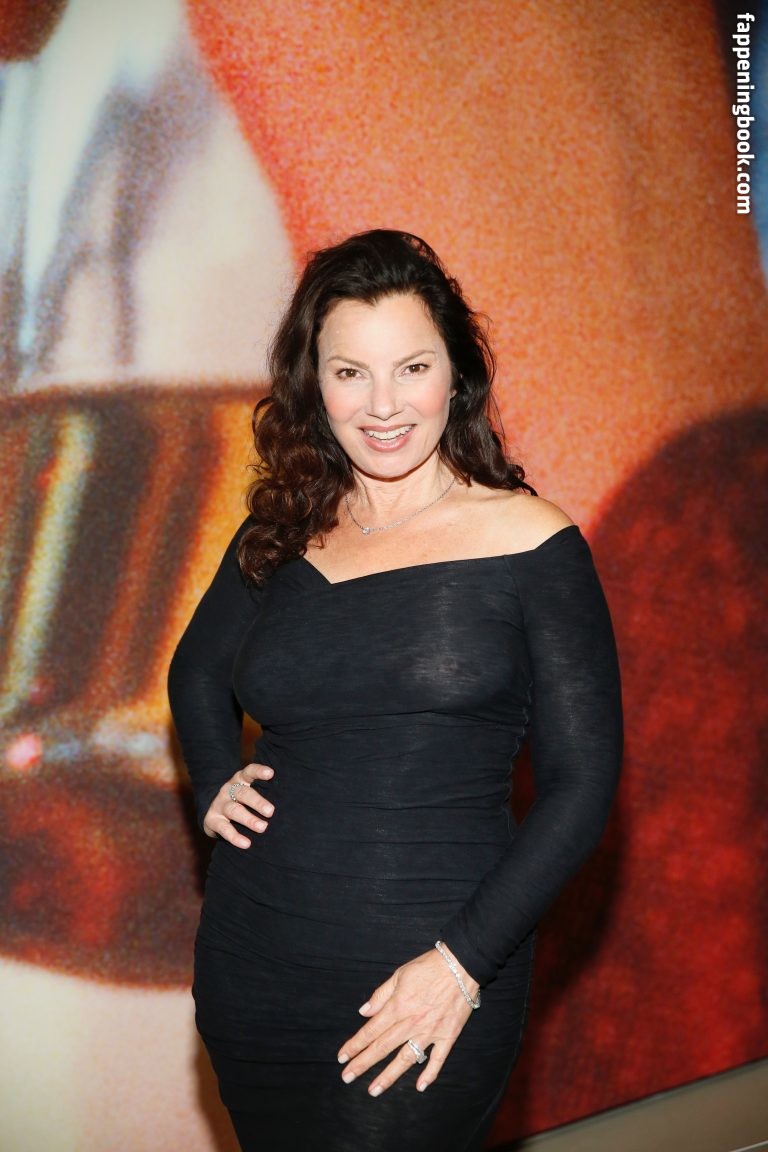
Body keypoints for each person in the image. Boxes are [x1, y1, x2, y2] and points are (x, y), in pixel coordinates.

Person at [167, 229, 623, 1152]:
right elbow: (196, 671)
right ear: (315, 384)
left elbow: (582, 786)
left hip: (430, 981)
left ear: (456, 375)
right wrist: (214, 775)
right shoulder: (282, 532)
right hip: (255, 967)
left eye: (412, 368)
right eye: (350, 373)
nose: (383, 406)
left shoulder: (531, 543)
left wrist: (461, 965)